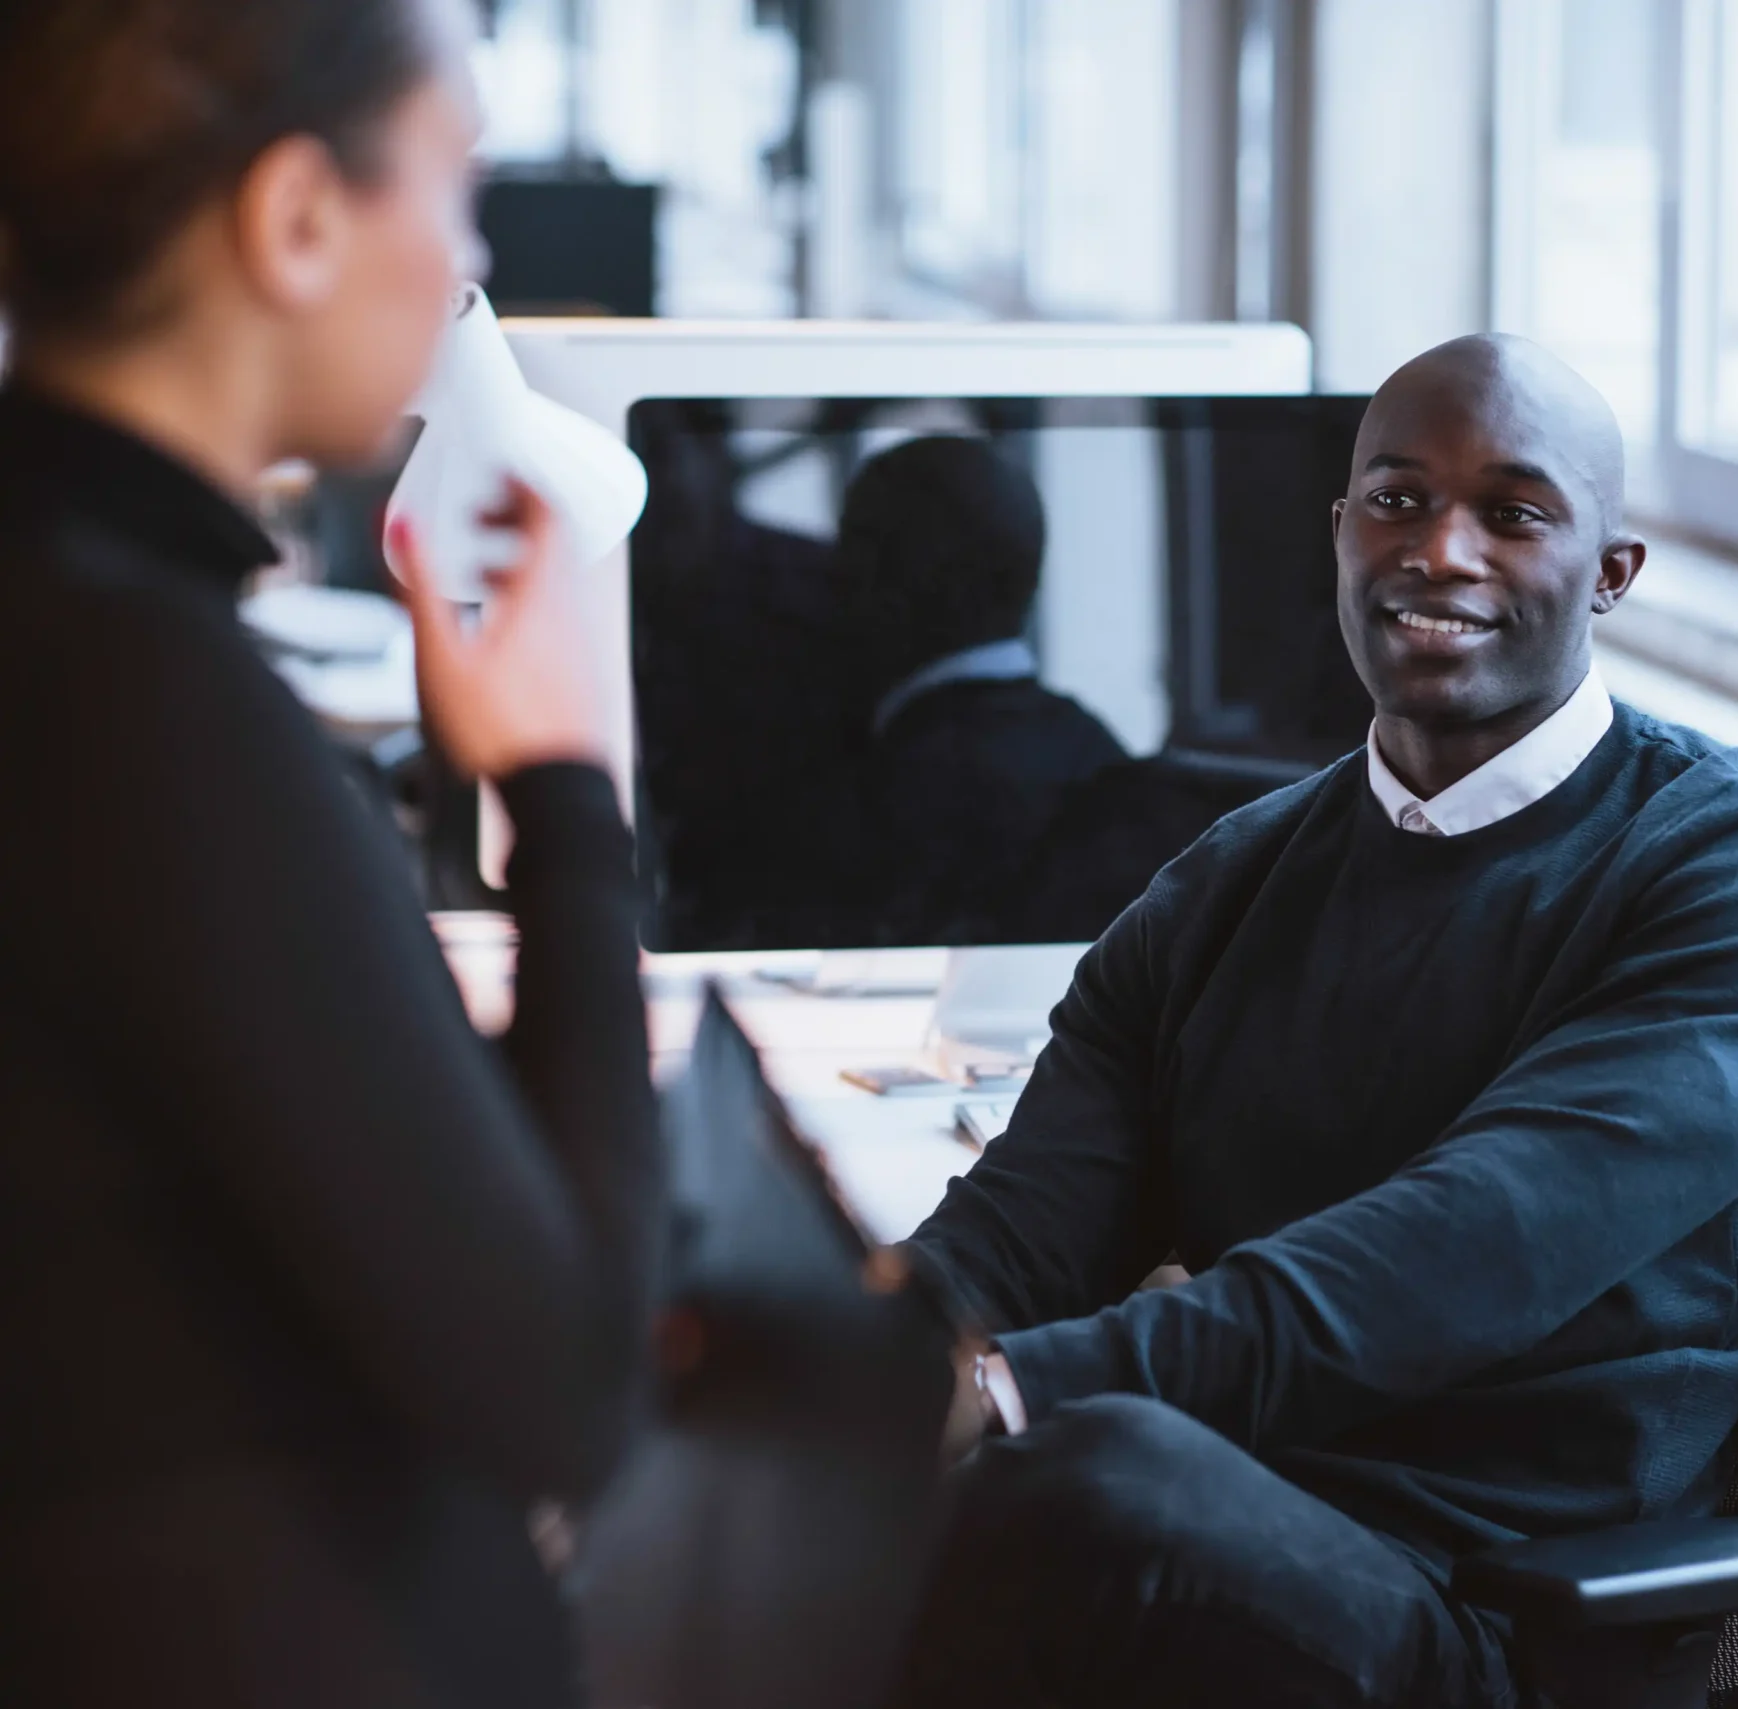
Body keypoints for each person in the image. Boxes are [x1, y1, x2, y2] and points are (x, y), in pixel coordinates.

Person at [889, 334, 1738, 1709]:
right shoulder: (1228, 878)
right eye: (1398, 500)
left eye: (1515, 513)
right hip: (1243, 1534)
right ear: (1341, 533)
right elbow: (1016, 1235)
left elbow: (1453, 1257)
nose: (1441, 550)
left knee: (1079, 1481)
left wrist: (1000, 1392)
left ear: (1613, 573)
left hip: (1509, 1611)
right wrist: (837, 1355)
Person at [0, 4, 662, 1706]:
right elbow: (563, 1381)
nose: (474, 255)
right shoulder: (144, 696)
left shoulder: (86, 617)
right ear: (296, 218)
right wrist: (572, 789)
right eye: (455, 186)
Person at [816, 433, 1126, 946]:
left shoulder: (865, 799)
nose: (830, 581)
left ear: (885, 585)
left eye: (848, 552)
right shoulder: (1099, 754)